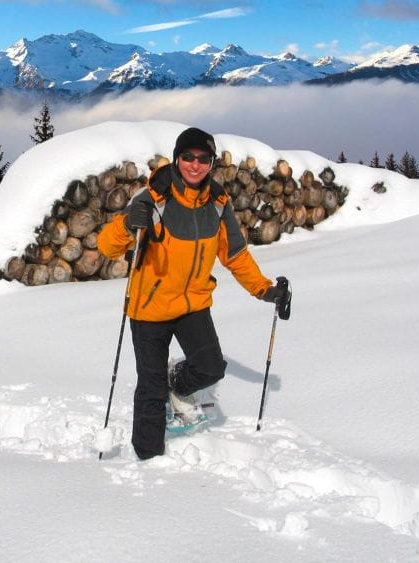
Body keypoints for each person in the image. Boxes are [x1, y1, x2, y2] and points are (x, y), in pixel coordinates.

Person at [98, 127, 291, 461]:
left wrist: (264, 289)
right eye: (188, 156)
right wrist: (128, 223)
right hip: (149, 309)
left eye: (204, 158)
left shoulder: (217, 205)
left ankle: (177, 383)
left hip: (192, 305)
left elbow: (235, 254)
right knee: (150, 390)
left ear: (212, 163)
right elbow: (107, 246)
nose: (195, 164)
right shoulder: (152, 199)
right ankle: (148, 460)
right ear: (177, 158)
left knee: (211, 367)